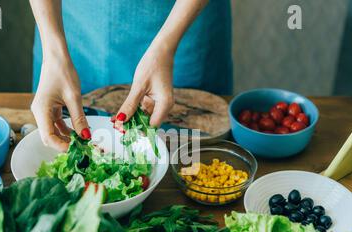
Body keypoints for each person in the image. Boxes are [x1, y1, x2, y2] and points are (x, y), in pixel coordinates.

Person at [30, 0, 232, 151]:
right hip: (72, 22)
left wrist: (166, 46)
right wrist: (53, 52)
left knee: (193, 150)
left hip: (184, 19)